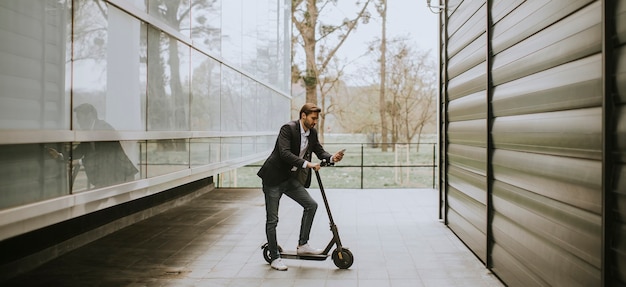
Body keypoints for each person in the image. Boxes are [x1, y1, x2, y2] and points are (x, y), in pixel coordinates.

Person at [257, 103, 344, 271]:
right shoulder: (288, 129)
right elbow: (284, 153)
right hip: (273, 179)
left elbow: (319, 151)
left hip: (289, 179)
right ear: (303, 116)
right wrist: (307, 164)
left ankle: (303, 244)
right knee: (272, 220)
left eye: (316, 119)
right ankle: (275, 257)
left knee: (311, 205)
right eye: (312, 118)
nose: (314, 122)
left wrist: (332, 157)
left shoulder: (312, 133)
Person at [71, 103, 138, 188]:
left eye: (79, 118)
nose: (78, 122)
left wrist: (79, 162)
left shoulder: (103, 128)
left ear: (89, 116)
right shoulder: (89, 131)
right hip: (109, 176)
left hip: (121, 175)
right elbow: (79, 150)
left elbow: (102, 156)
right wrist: (60, 155)